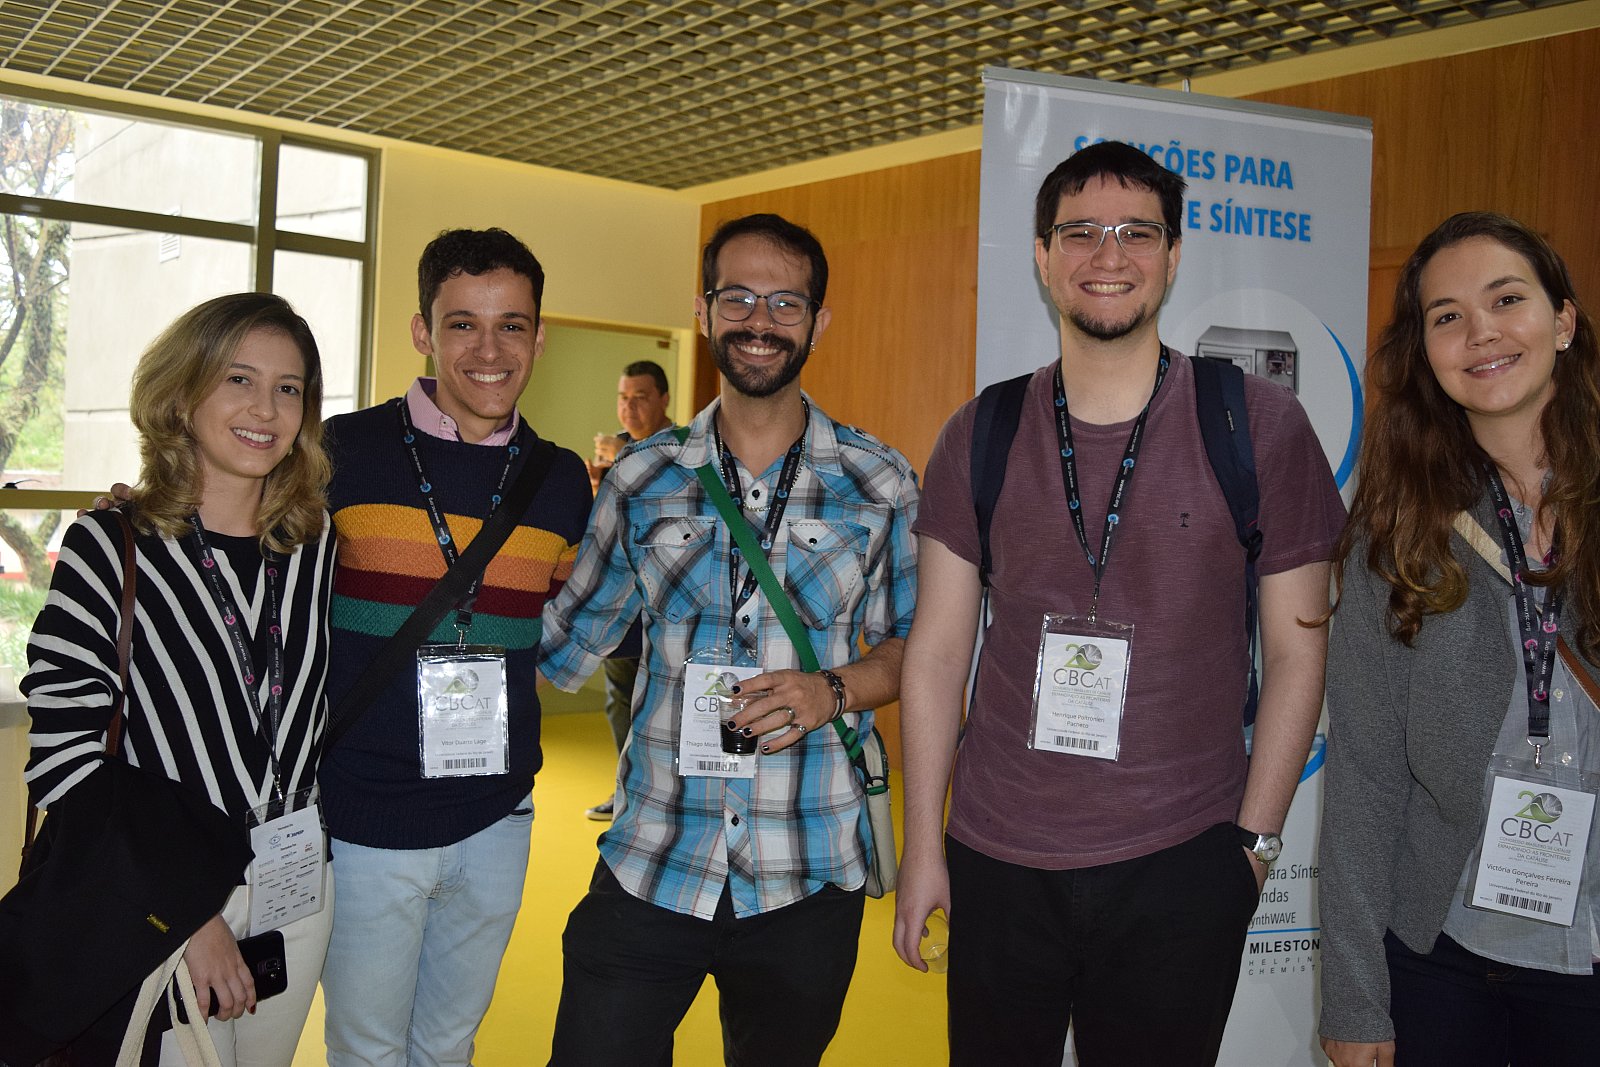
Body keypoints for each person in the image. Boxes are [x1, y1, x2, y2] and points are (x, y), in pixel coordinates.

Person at [892, 140, 1346, 1065]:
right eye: (1081, 233)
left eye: (1138, 232)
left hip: (1184, 859)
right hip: (998, 853)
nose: (1109, 255)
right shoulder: (980, 431)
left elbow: (1300, 651)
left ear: (1173, 256)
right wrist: (922, 846)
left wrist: (1252, 849)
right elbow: (936, 654)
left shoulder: (1257, 425)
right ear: (1041, 255)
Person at [538, 212, 919, 1066]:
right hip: (654, 857)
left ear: (818, 321)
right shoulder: (642, 478)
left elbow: (914, 648)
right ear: (704, 310)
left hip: (805, 869)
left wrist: (834, 689)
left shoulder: (878, 481)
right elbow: (562, 644)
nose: (760, 320)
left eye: (786, 302)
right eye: (738, 296)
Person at [22, 292, 336, 1064]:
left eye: (288, 388)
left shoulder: (315, 545)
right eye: (238, 379)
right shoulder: (109, 546)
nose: (265, 408)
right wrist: (189, 915)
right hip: (163, 905)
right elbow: (63, 759)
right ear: (182, 392)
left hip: (297, 889)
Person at [1319, 212, 1600, 1067]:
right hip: (1443, 953)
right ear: (1426, 352)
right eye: (1448, 315)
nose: (1481, 332)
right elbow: (1365, 778)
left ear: (1562, 320)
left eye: (1506, 300)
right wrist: (1354, 997)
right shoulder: (1398, 532)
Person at [316, 228, 592, 1066]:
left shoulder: (560, 479)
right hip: (366, 815)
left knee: (448, 1043)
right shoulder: (341, 451)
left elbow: (564, 615)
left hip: (496, 815)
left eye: (512, 325)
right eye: (462, 323)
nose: (489, 350)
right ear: (422, 332)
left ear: (539, 338)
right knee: (367, 1047)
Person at [583, 360, 674, 821]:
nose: (629, 407)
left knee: (667, 702)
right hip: (621, 594)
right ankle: (627, 791)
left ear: (664, 400)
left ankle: (663, 796)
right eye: (623, 398)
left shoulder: (682, 449)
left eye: (640, 397)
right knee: (620, 696)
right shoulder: (615, 450)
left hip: (670, 598)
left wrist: (628, 459)